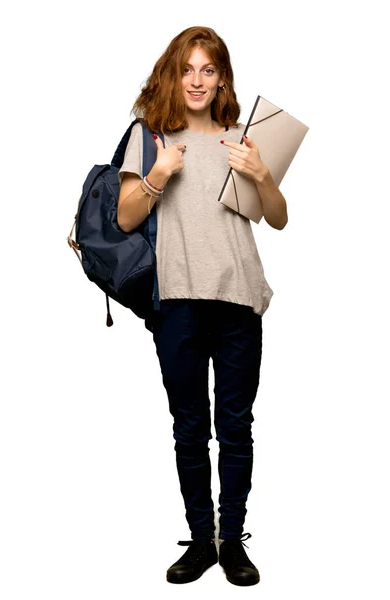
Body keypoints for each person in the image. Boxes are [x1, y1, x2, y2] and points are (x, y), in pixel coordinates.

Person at [117, 26, 288, 586]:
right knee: (190, 428)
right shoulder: (150, 137)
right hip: (177, 303)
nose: (196, 80)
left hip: (239, 299)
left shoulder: (243, 138)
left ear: (221, 79)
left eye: (207, 70)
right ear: (174, 73)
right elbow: (123, 218)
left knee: (236, 427)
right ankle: (200, 540)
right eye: (188, 69)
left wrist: (262, 175)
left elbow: (277, 217)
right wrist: (160, 175)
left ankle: (231, 540)